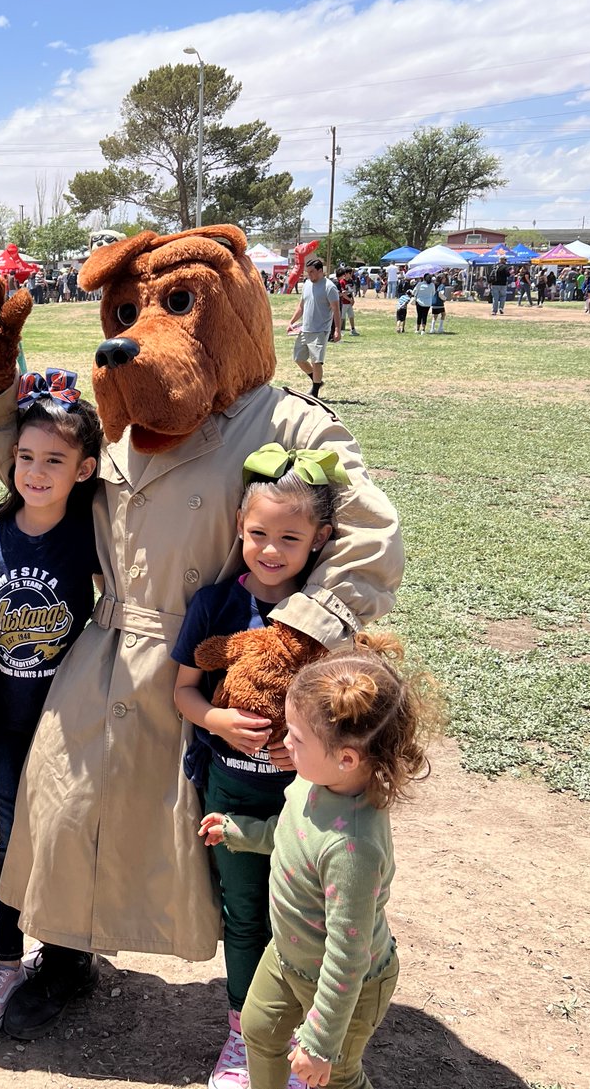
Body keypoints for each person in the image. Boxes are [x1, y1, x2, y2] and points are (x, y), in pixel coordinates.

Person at [200, 632, 443, 1089]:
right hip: (289, 955)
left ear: (347, 758)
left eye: (295, 736)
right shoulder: (315, 782)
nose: (284, 742)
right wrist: (242, 833)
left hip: (346, 987)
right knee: (258, 1029)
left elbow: (347, 955)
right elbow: (292, 834)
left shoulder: (354, 847)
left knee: (336, 1078)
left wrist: (319, 1041)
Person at [174, 445, 344, 1089]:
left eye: (290, 539)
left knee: (306, 915)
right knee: (244, 913)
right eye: (258, 535)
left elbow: (342, 703)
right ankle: (243, 1034)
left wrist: (306, 748)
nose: (271, 550)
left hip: (309, 796)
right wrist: (215, 720)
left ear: (319, 540)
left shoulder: (324, 611)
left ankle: (305, 1036)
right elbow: (183, 692)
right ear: (239, 530)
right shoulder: (215, 605)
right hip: (231, 791)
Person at [0, 369, 103, 1039]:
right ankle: (7, 961)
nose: (37, 472)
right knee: (15, 841)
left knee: (69, 839)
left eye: (55, 461)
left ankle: (69, 955)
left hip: (73, 724)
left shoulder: (94, 533)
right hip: (6, 725)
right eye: (27, 458)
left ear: (85, 468)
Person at [286, 258, 340, 398]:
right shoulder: (307, 285)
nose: (309, 275)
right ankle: (316, 381)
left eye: (312, 272)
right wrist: (292, 322)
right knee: (299, 358)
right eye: (307, 272)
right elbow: (301, 306)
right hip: (305, 329)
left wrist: (337, 330)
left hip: (320, 331)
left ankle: (315, 392)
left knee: (316, 361)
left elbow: (336, 310)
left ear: (321, 271)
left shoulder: (329, 287)